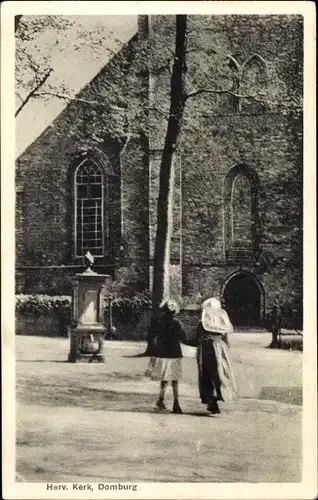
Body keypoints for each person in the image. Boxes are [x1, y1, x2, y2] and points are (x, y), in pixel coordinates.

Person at [193, 297, 238, 415]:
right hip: (219, 348)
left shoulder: (203, 322)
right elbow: (225, 338)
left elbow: (197, 337)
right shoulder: (222, 321)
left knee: (207, 374)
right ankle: (218, 397)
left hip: (207, 348)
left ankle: (211, 400)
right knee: (219, 373)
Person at [147, 298, 186, 414]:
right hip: (174, 352)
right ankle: (176, 403)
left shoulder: (159, 321)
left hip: (163, 352)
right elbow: (183, 337)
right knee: (174, 378)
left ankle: (161, 398)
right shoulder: (177, 323)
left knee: (164, 377)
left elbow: (152, 335)